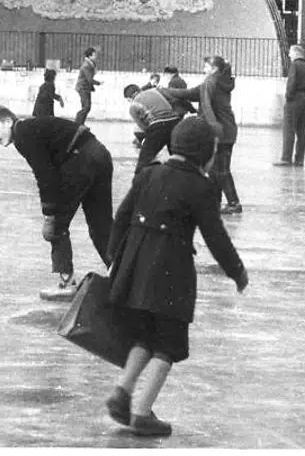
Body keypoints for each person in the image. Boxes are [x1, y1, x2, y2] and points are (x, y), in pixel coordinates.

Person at [104, 115, 248, 437]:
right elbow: (215, 236)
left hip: (133, 271)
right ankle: (141, 413)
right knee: (167, 346)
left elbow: (122, 217)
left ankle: (122, 390)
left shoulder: (149, 174)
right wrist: (236, 271)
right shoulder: (203, 187)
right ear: (203, 152)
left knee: (144, 337)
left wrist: (113, 258)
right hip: (170, 275)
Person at [0, 104, 113, 301]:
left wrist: (49, 212)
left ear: (8, 121)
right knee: (101, 224)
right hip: (99, 153)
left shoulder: (22, 134)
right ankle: (122, 275)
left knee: (55, 226)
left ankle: (67, 282)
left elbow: (45, 174)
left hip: (80, 160)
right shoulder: (29, 128)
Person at [170, 55, 242, 214]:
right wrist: (166, 91)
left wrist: (213, 130)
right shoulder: (219, 81)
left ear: (214, 69)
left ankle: (234, 203)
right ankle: (217, 202)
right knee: (217, 168)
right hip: (227, 129)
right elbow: (191, 93)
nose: (204, 69)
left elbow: (207, 106)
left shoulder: (211, 81)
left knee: (220, 169)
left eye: (206, 66)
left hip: (220, 131)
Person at [124, 82, 183, 174]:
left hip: (158, 126)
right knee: (178, 156)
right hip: (175, 122)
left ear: (132, 96)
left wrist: (148, 140)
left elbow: (144, 127)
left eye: (128, 100)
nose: (129, 102)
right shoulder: (155, 91)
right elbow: (173, 100)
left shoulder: (133, 106)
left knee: (144, 160)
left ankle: (140, 183)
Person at [277, 44, 305, 166]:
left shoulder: (295, 65)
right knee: (301, 130)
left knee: (289, 129)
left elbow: (291, 82)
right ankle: (299, 159)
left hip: (295, 99)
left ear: (296, 53)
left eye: (290, 52)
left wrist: (288, 97)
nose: (289, 55)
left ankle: (286, 158)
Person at [74, 47, 100, 127]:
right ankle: (78, 122)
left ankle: (80, 123)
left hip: (86, 88)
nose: (96, 56)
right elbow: (89, 79)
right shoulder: (86, 65)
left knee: (86, 106)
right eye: (94, 55)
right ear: (90, 56)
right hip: (83, 88)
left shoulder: (91, 64)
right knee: (87, 106)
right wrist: (98, 83)